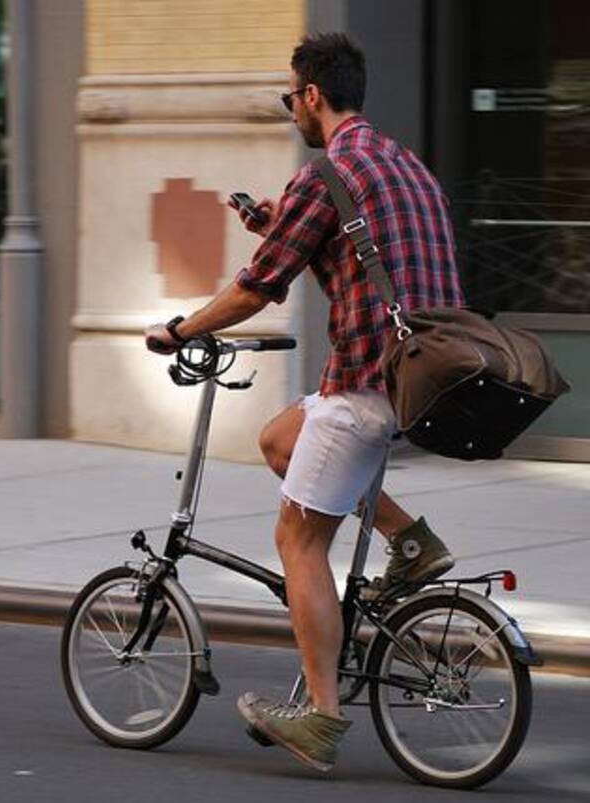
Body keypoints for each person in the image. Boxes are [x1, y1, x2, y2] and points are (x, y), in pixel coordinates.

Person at [143, 32, 465, 773]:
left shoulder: (328, 174)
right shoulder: (402, 164)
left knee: (298, 539)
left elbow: (259, 287)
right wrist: (272, 225)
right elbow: (363, 259)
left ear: (312, 96)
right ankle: (410, 539)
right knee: (280, 440)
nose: (291, 108)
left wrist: (179, 329)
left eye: (292, 97)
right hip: (428, 372)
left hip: (367, 381)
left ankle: (321, 714)